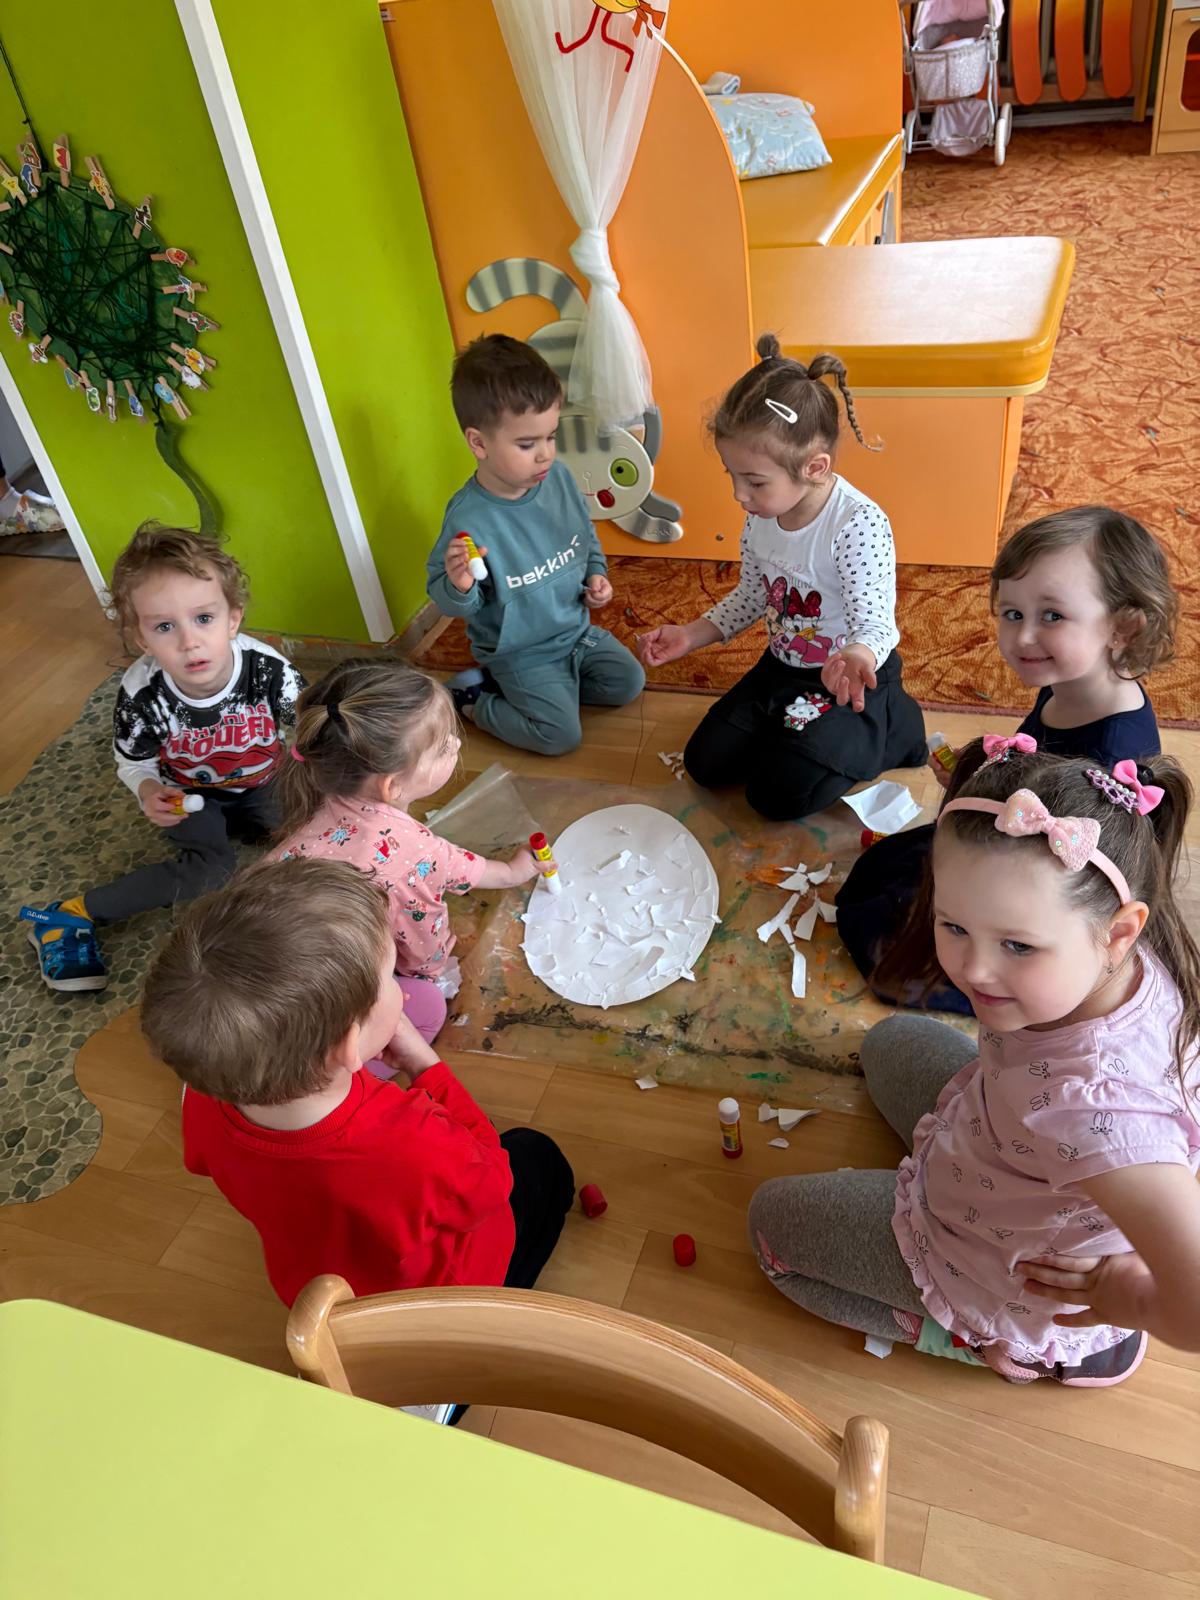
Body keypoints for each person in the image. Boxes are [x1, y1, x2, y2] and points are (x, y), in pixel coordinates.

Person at [749, 741, 1200, 1384]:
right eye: (954, 926)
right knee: (888, 1041)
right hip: (1008, 1140)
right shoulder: (1121, 943)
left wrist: (1127, 1295)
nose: (975, 971)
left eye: (1017, 945)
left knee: (769, 1232)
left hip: (1003, 1268)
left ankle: (990, 1341)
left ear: (1118, 933)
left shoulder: (1098, 1114)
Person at [140, 857, 575, 1305]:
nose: (400, 984)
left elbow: (210, 1162)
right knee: (535, 1155)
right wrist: (426, 1067)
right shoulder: (410, 1140)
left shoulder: (205, 1095)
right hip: (442, 1298)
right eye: (391, 976)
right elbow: (493, 1182)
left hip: (328, 1291)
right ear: (350, 1043)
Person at [837, 506, 1176, 1013]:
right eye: (1013, 613)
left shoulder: (1113, 752)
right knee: (877, 876)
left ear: (1122, 628)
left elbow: (1061, 885)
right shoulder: (1068, 681)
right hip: (1011, 839)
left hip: (1038, 894)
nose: (1022, 638)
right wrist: (979, 778)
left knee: (896, 952)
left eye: (1052, 616)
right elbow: (1032, 764)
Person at [637, 335, 925, 820]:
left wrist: (856, 655)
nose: (739, 494)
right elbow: (754, 594)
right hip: (781, 669)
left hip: (848, 680)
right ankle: (798, 736)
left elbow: (876, 624)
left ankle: (892, 727)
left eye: (754, 481)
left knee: (774, 798)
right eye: (732, 475)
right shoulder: (762, 515)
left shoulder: (857, 524)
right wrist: (691, 634)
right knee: (705, 765)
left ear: (814, 468)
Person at [20, 523, 303, 993]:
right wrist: (149, 790)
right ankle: (68, 915)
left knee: (319, 834)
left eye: (204, 618)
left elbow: (311, 730)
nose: (189, 642)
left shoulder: (269, 670)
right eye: (165, 627)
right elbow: (133, 762)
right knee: (212, 871)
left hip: (263, 782)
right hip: (188, 795)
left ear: (233, 618)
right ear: (140, 637)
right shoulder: (141, 694)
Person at [272, 658, 541, 1045]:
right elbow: (422, 943)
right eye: (444, 746)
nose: (457, 745)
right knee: (427, 1005)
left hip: (276, 975)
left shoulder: (321, 795)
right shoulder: (413, 854)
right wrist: (514, 873)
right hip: (326, 1008)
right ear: (392, 786)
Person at [425, 333, 644, 757]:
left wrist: (596, 575)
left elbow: (585, 537)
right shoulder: (469, 518)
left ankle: (545, 692)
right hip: (522, 653)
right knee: (560, 737)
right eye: (527, 444)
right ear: (479, 443)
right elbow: (453, 603)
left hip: (575, 632)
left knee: (628, 682)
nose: (545, 454)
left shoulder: (558, 478)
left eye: (550, 437)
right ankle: (474, 699)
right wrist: (460, 585)